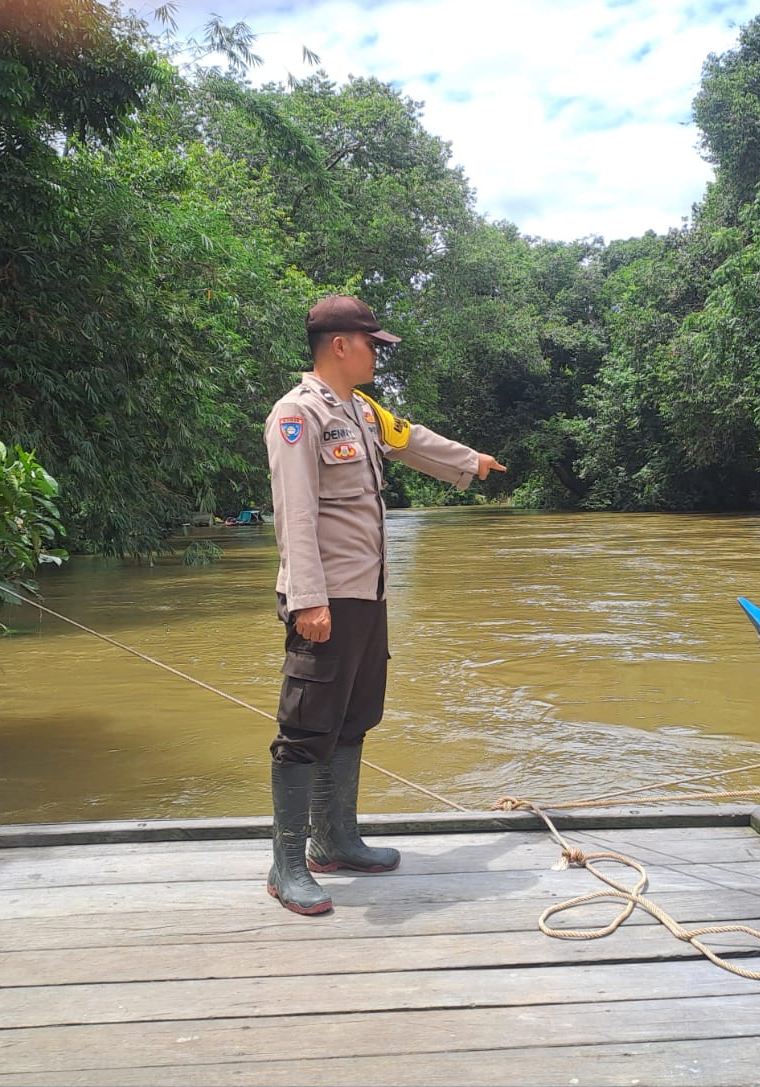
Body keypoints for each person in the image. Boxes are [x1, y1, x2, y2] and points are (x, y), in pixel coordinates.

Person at [262, 294, 505, 915]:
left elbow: (412, 441)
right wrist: (307, 601)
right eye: (372, 344)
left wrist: (471, 462)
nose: (377, 354)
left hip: (368, 596)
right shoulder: (298, 415)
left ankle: (335, 840)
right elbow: (295, 513)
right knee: (306, 728)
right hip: (326, 599)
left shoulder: (362, 411)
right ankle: (287, 864)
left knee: (354, 717)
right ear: (340, 345)